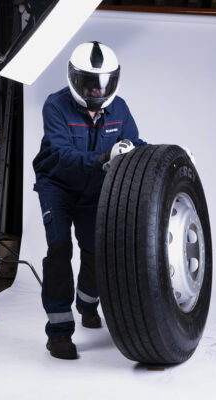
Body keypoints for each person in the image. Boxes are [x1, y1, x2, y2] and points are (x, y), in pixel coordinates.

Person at [32, 41, 147, 360]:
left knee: (96, 250)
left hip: (95, 187)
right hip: (57, 184)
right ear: (75, 78)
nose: (97, 90)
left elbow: (135, 144)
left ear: (113, 79)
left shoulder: (120, 108)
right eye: (89, 83)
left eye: (103, 82)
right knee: (59, 250)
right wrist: (104, 157)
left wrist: (162, 158)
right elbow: (63, 155)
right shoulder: (55, 105)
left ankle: (87, 304)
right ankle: (58, 333)